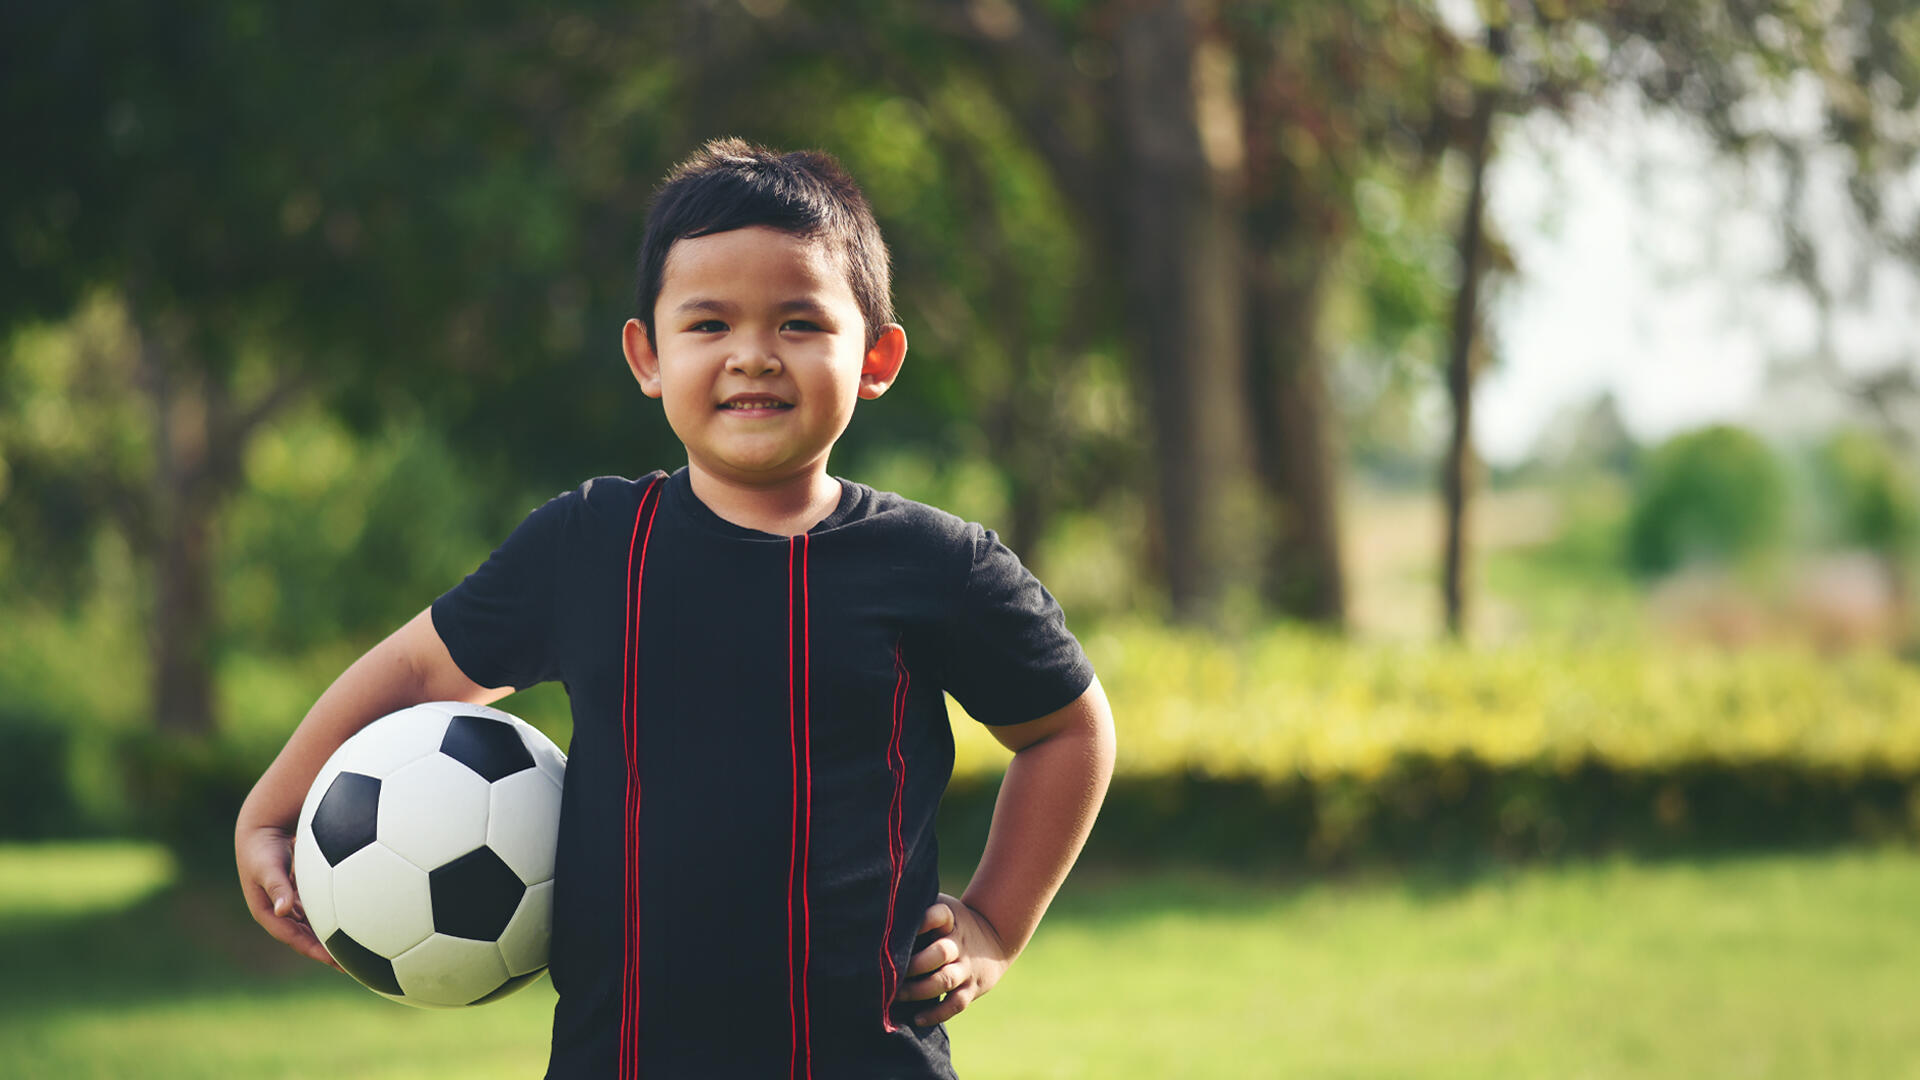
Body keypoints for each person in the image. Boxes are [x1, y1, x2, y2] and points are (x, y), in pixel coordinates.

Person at [234, 137, 1117, 1079]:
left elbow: (1069, 732)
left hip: (863, 1058)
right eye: (708, 326)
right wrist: (269, 815)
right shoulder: (590, 543)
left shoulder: (940, 566)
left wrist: (992, 923)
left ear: (878, 357)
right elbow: (417, 671)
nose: (752, 356)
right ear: (646, 356)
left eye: (799, 323)